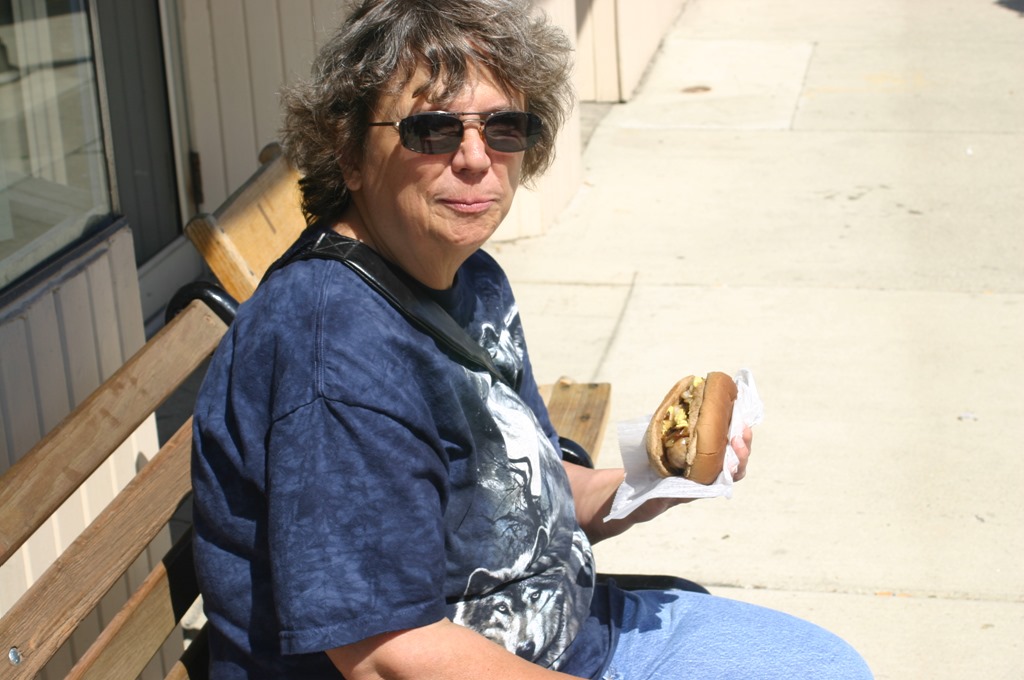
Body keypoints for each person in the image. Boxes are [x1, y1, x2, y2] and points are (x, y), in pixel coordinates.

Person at [190, 1, 874, 678]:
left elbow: (525, 487)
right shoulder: (335, 355)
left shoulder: (471, 276)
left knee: (828, 665)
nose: (475, 158)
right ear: (349, 153)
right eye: (433, 129)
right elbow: (390, 654)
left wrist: (648, 485)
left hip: (572, 635)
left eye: (504, 127)